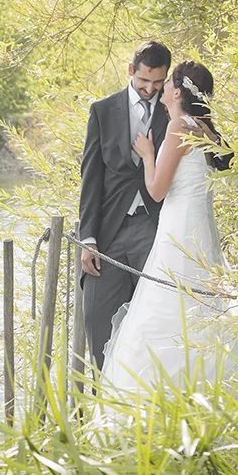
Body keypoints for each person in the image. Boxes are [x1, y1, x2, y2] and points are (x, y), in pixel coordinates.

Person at [98, 60, 238, 399]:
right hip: (202, 230)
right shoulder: (202, 126)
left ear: (177, 91)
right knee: (203, 304)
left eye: (167, 83)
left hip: (179, 228)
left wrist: (149, 154)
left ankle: (161, 396)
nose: (162, 88)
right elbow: (223, 161)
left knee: (168, 301)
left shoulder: (178, 127)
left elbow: (156, 190)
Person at [77, 40, 172, 372]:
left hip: (155, 225)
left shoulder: (171, 110)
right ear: (131, 71)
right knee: (97, 315)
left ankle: (152, 395)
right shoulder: (102, 111)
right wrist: (87, 238)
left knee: (159, 315)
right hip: (109, 230)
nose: (150, 89)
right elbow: (91, 177)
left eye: (158, 83)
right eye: (144, 80)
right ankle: (107, 398)